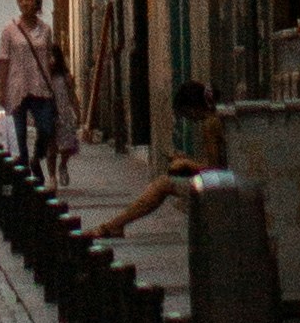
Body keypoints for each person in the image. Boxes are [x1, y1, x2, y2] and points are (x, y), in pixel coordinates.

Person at [85, 81, 220, 240]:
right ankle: (114, 225)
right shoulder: (214, 120)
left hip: (217, 186)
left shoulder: (211, 124)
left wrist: (187, 164)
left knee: (162, 185)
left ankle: (113, 226)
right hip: (217, 180)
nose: (188, 118)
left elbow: (216, 169)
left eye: (187, 112)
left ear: (194, 107)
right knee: (161, 184)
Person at [0, 0, 73, 180]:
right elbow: (4, 59)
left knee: (46, 129)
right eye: (22, 0)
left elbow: (47, 59)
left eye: (30, 0)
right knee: (18, 134)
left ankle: (36, 159)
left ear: (37, 4)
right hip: (17, 86)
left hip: (40, 85)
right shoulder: (9, 30)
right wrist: (0, 88)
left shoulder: (45, 30)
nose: (26, 4)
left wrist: (57, 81)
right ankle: (25, 178)